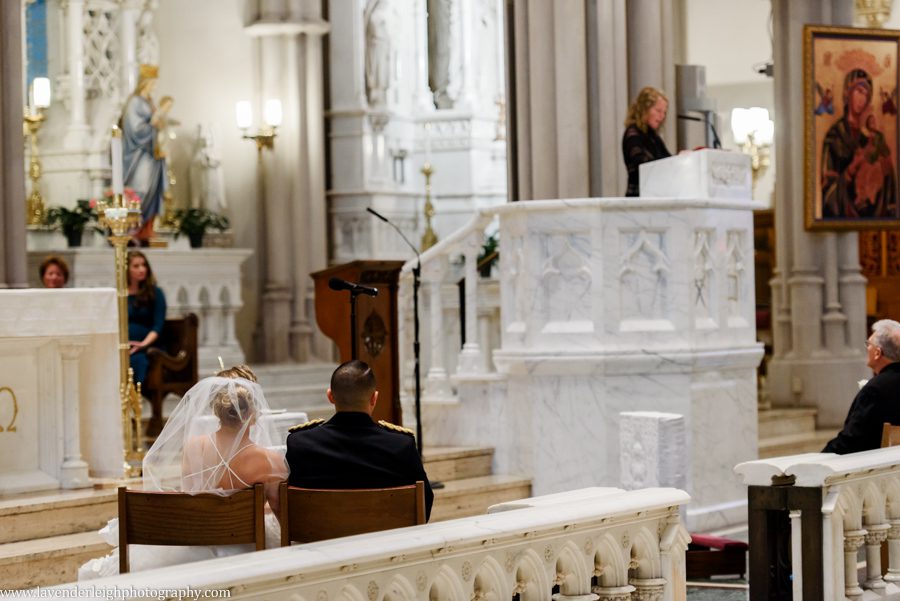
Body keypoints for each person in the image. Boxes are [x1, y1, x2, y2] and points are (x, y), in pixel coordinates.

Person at [79, 365, 288, 579]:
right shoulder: (268, 461)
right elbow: (284, 517)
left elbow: (193, 498)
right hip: (241, 551)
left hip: (195, 546)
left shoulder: (193, 447)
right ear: (252, 413)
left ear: (216, 410)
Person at [286, 360, 434, 521]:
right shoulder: (401, 445)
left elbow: (291, 509)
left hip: (318, 543)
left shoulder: (299, 444)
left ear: (330, 396)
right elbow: (424, 504)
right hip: (386, 542)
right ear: (374, 399)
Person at [821, 68, 897, 219]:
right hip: (840, 220)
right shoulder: (835, 136)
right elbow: (825, 189)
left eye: (866, 94)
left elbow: (889, 180)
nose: (862, 98)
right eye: (859, 91)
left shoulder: (868, 137)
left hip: (872, 214)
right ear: (847, 93)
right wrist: (851, 170)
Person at [823, 319, 900, 454]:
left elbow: (852, 440)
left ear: (877, 353)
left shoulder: (875, 389)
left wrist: (822, 456)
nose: (866, 348)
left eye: (868, 344)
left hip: (876, 464)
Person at [121, 64, 170, 245]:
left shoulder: (149, 103)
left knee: (153, 190)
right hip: (139, 154)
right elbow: (135, 130)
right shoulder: (135, 103)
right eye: (152, 83)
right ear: (145, 83)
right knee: (141, 188)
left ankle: (147, 229)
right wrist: (153, 125)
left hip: (153, 154)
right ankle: (132, 229)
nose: (154, 87)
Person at [622, 86, 671, 197]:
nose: (662, 116)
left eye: (664, 112)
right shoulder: (633, 134)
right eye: (658, 111)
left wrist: (682, 159)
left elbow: (667, 160)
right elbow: (642, 164)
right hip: (638, 198)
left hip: (653, 195)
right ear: (644, 109)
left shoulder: (653, 136)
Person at [126, 250, 166, 386]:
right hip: (125, 346)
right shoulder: (121, 294)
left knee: (138, 361)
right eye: (136, 266)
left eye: (144, 265)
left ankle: (135, 400)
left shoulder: (155, 293)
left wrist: (143, 344)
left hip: (149, 347)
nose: (141, 269)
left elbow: (158, 326)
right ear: (127, 269)